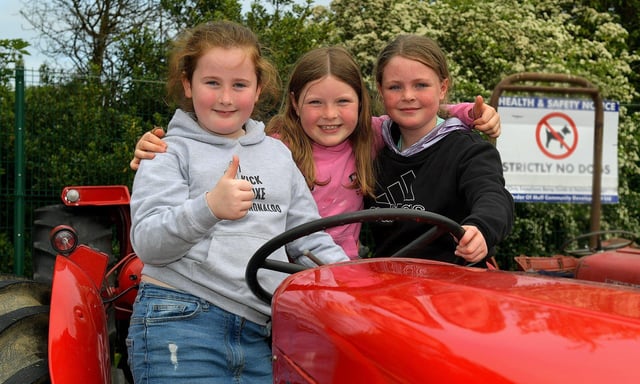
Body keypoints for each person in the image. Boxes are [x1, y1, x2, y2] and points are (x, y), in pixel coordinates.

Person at [126, 20, 349, 384]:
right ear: (188, 84)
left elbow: (308, 239)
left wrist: (353, 282)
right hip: (182, 325)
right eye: (212, 82)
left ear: (259, 89)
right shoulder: (168, 152)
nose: (226, 98)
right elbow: (148, 243)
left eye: (240, 85)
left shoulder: (277, 156)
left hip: (264, 332)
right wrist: (209, 207)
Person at [131, 46, 502, 259]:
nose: (329, 115)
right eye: (315, 103)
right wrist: (159, 150)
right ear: (294, 103)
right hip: (281, 269)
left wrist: (470, 114)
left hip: (344, 267)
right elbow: (222, 146)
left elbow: (418, 114)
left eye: (343, 102)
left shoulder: (370, 137)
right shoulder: (275, 148)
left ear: (361, 103)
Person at [366, 34, 514, 265]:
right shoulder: (374, 148)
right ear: (381, 90)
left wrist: (481, 229)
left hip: (454, 283)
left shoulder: (469, 150)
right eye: (395, 87)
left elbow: (493, 195)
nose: (408, 96)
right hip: (386, 285)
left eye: (421, 85)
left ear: (442, 88)